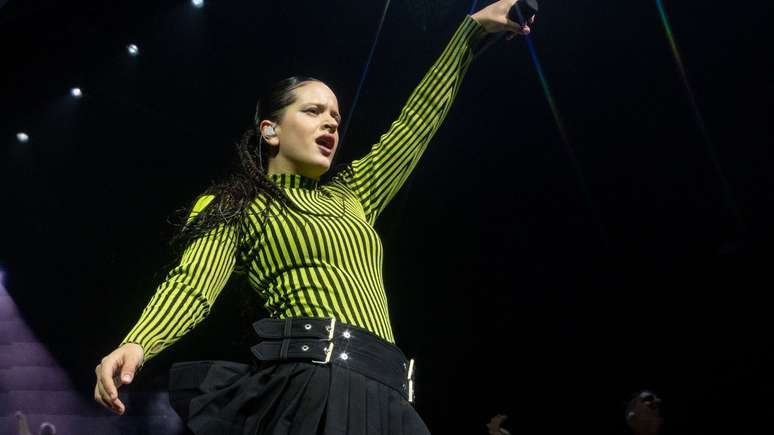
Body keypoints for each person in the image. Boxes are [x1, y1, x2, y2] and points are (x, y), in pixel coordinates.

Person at [93, 1, 534, 433]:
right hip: (315, 387)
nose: (331, 124)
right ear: (270, 130)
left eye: (336, 117)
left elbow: (416, 123)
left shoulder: (354, 194)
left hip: (389, 396)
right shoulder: (238, 203)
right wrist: (139, 341)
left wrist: (472, 30)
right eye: (313, 111)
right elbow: (192, 285)